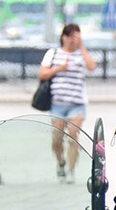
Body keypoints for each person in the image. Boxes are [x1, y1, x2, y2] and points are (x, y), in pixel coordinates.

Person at [38, 23, 97, 183]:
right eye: (70, 36)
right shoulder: (53, 53)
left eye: (76, 37)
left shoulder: (81, 54)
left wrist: (82, 47)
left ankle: (71, 170)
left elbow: (92, 66)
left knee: (73, 135)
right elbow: (42, 74)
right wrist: (59, 69)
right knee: (57, 138)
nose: (72, 40)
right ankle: (61, 162)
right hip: (58, 104)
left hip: (77, 104)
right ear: (63, 37)